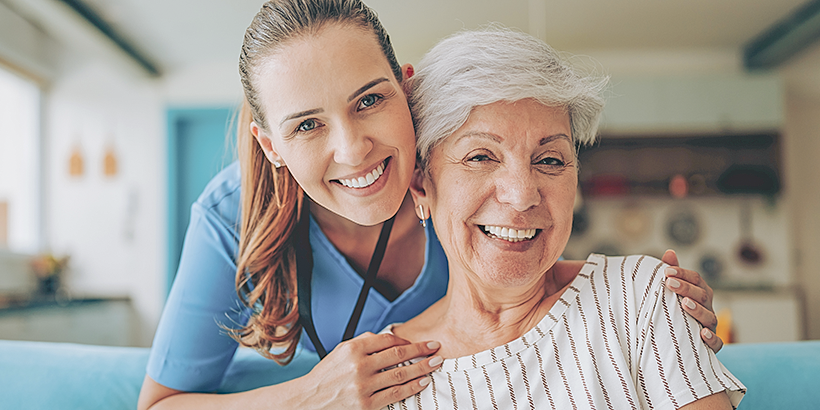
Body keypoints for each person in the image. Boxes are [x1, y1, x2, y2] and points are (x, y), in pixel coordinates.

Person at [138, 1, 723, 409]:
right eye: (308, 124)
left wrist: (634, 292)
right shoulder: (229, 217)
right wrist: (311, 396)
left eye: (369, 100)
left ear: (406, 89)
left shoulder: (448, 170)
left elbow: (515, 256)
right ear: (273, 148)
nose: (353, 148)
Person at [385, 27, 745, 409]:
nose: (522, 195)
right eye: (481, 157)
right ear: (421, 184)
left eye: (550, 160)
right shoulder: (380, 374)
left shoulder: (639, 296)